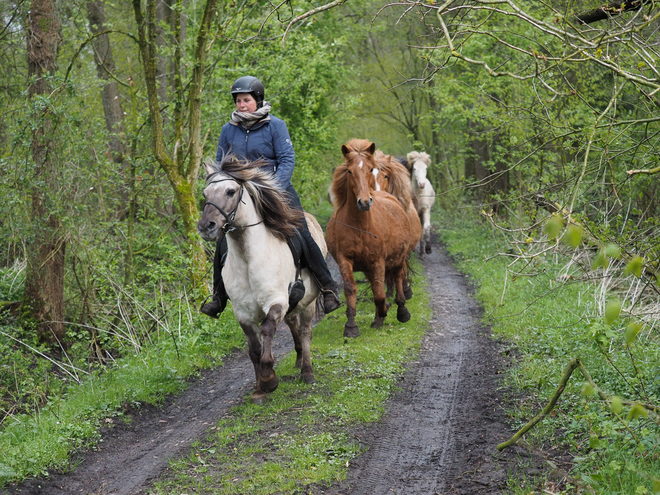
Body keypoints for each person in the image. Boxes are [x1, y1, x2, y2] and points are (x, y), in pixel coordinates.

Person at [200, 75, 341, 318]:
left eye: (246, 100)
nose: (241, 105)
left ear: (257, 100)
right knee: (224, 238)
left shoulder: (275, 125)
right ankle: (218, 297)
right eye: (238, 101)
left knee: (301, 230)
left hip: (275, 191)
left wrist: (275, 187)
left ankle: (327, 287)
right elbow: (222, 165)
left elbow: (287, 159)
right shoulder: (228, 130)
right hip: (241, 196)